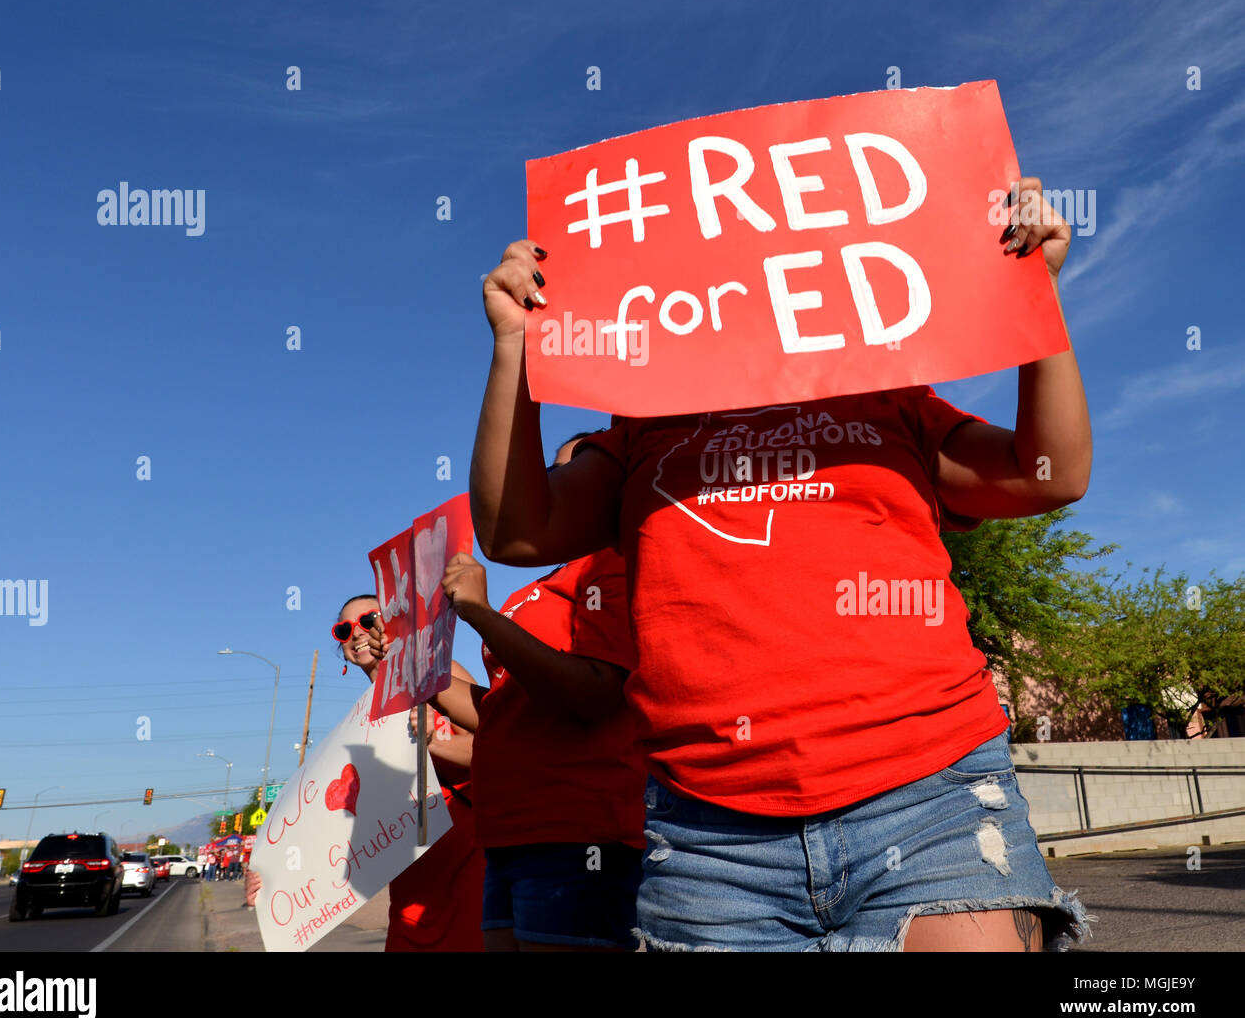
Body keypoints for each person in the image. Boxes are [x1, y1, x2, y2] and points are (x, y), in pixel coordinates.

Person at [469, 176, 1093, 952]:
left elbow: (1051, 473)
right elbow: (512, 530)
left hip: (930, 790)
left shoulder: (884, 393)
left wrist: (1036, 296)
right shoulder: (643, 425)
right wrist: (514, 350)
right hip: (711, 834)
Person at [427, 434, 645, 952]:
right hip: (509, 836)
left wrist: (479, 615)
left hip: (576, 834)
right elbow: (498, 710)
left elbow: (591, 693)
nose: (555, 482)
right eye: (554, 470)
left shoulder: (613, 568)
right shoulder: (541, 585)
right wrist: (404, 663)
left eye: (580, 468)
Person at [246, 597, 485, 952]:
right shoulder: (358, 731)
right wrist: (270, 875)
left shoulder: (437, 673)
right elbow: (328, 827)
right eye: (344, 629)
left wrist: (435, 742)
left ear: (392, 622)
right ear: (342, 650)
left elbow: (501, 746)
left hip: (469, 869)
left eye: (368, 619)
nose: (356, 632)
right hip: (410, 890)